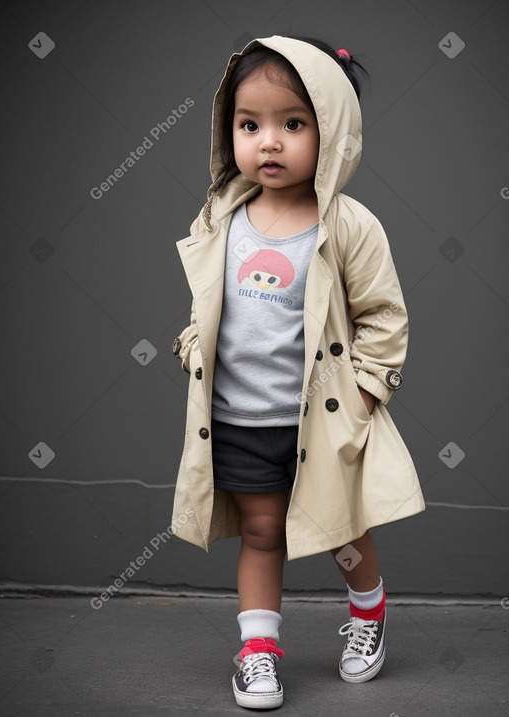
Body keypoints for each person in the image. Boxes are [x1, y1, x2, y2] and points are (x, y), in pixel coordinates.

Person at [171, 34, 425, 710]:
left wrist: (367, 393)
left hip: (322, 417)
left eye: (293, 123)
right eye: (250, 125)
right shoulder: (224, 214)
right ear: (231, 131)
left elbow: (384, 318)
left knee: (342, 531)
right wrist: (195, 346)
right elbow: (208, 302)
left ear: (332, 131)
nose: (270, 143)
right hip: (240, 417)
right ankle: (258, 651)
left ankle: (368, 613)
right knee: (261, 532)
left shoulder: (347, 224)